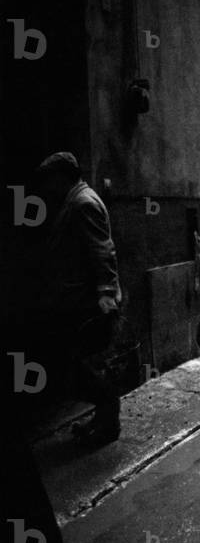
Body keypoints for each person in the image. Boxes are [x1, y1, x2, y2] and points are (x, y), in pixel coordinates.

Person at [30, 152, 123, 446]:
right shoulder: (75, 199)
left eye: (50, 180)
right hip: (73, 300)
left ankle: (108, 417)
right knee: (77, 363)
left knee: (74, 365)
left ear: (62, 177)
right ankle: (103, 416)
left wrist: (106, 295)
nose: (47, 188)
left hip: (84, 303)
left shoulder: (83, 203)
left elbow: (102, 250)